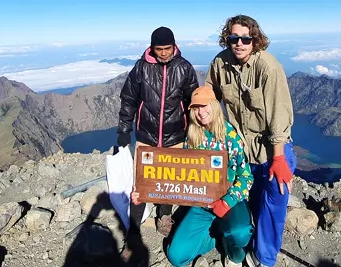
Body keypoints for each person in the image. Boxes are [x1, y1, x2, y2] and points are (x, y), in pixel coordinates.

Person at [205, 15, 295, 267]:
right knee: (252, 202)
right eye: (234, 38)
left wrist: (278, 157)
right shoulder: (220, 63)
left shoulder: (268, 67)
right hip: (242, 150)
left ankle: (264, 259)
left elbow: (279, 114)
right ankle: (247, 242)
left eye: (246, 38)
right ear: (228, 39)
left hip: (271, 150)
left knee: (273, 205)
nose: (240, 43)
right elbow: (210, 93)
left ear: (255, 40)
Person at [117, 26, 199, 247]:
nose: (163, 53)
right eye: (159, 49)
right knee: (141, 185)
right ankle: (133, 231)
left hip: (176, 137)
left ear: (174, 46)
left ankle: (164, 217)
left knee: (170, 181)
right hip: (147, 136)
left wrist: (195, 132)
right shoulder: (141, 68)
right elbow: (129, 100)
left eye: (167, 48)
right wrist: (124, 131)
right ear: (152, 48)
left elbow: (193, 103)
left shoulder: (184, 68)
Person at [154, 86, 253, 267]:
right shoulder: (192, 136)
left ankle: (232, 249)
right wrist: (147, 192)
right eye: (196, 108)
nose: (200, 112)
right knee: (177, 257)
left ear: (214, 105)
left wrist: (227, 202)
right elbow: (179, 173)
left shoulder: (230, 136)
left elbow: (246, 177)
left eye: (204, 106)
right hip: (203, 205)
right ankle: (218, 233)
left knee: (240, 234)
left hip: (230, 202)